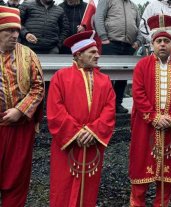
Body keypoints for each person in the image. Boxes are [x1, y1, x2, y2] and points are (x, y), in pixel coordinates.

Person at [129, 14, 171, 207]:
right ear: (152, 44)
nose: (163, 44)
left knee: (168, 172)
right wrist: (153, 117)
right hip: (146, 125)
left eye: (166, 41)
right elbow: (138, 93)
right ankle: (137, 203)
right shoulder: (142, 65)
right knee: (142, 165)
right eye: (159, 41)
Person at [47, 30, 116, 207]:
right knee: (63, 186)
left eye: (97, 52)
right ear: (78, 54)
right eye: (92, 52)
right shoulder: (60, 77)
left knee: (89, 187)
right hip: (69, 143)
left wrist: (93, 130)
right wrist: (76, 132)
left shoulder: (105, 80)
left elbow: (109, 109)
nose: (98, 55)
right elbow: (55, 110)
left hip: (93, 142)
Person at [0, 6, 44, 207]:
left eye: (17, 30)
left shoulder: (28, 55)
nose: (15, 35)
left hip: (20, 129)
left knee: (16, 179)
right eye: (9, 30)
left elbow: (38, 87)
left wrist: (20, 110)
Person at [95, 0, 144, 113]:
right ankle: (106, 105)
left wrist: (138, 42)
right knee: (107, 77)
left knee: (123, 77)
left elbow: (141, 26)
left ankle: (117, 104)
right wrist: (103, 38)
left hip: (129, 46)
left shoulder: (133, 6)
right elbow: (98, 18)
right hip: (111, 43)